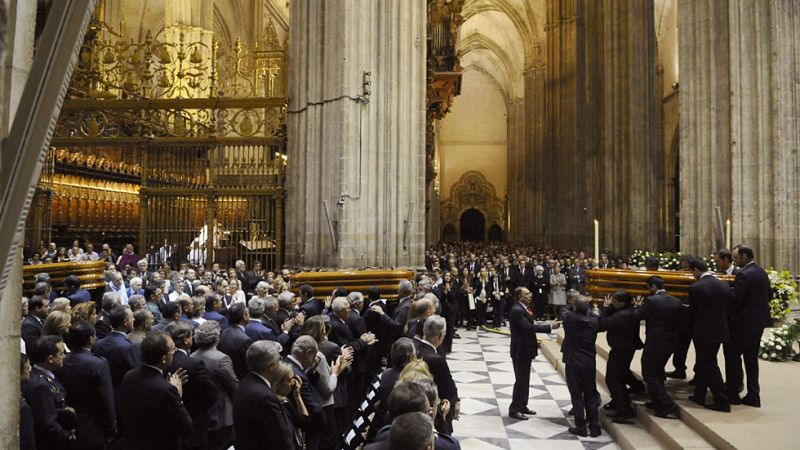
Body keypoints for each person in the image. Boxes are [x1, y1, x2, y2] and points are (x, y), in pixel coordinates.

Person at [115, 333, 192, 450]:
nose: (175, 353)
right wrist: (177, 395)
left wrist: (166, 386)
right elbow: (185, 426)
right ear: (164, 358)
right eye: (173, 350)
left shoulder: (129, 375)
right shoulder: (166, 390)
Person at [725, 244, 771, 407]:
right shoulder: (761, 272)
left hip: (743, 323)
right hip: (758, 322)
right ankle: (753, 394)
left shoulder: (744, 274)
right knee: (751, 359)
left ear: (745, 256)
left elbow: (736, 299)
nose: (735, 262)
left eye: (736, 258)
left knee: (732, 356)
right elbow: (769, 295)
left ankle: (733, 393)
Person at [59, 321, 117, 449]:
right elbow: (106, 398)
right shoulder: (98, 364)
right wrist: (111, 426)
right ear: (91, 339)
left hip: (66, 423)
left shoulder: (62, 362)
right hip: (93, 426)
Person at [233, 340, 299, 450]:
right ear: (272, 366)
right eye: (279, 359)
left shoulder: (245, 382)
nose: (281, 362)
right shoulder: (265, 396)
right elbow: (281, 438)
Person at [634, 276, 684, 419]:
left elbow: (638, 316)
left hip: (655, 342)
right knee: (658, 371)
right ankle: (657, 402)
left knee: (649, 373)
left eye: (648, 287)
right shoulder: (676, 301)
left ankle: (668, 405)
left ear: (653, 287)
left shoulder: (651, 300)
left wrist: (638, 306)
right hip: (671, 342)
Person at [686, 257, 731, 412]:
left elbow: (692, 312)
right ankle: (699, 394)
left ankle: (722, 401)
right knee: (704, 362)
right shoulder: (724, 284)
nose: (693, 276)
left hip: (703, 331)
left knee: (709, 365)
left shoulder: (696, 287)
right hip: (720, 330)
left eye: (692, 273)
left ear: (696, 270)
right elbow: (730, 307)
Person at [508, 287, 560, 420]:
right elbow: (528, 328)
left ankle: (522, 405)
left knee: (525, 380)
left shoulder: (525, 308)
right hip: (520, 350)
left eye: (530, 293)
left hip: (526, 348)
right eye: (526, 294)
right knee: (520, 380)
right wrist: (549, 327)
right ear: (519, 296)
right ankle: (514, 409)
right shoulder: (517, 310)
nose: (530, 295)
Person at [166, 321, 218, 450]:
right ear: (185, 340)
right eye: (191, 336)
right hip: (194, 423)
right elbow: (210, 394)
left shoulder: (162, 360)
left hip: (169, 424)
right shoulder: (194, 364)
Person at [598, 290, 644, 423]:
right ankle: (636, 388)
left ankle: (625, 411)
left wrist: (605, 308)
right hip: (627, 347)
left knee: (613, 379)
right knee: (622, 372)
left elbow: (602, 325)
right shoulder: (632, 310)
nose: (612, 303)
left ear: (622, 303)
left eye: (614, 302)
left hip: (621, 348)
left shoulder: (621, 316)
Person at [22, 336, 76, 450]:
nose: (64, 357)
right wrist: (67, 436)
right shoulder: (41, 386)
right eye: (61, 354)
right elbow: (48, 423)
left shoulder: (41, 376)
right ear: (50, 359)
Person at [193, 321, 238, 450]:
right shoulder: (221, 359)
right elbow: (233, 386)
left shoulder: (192, 357)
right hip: (222, 414)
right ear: (217, 338)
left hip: (202, 413)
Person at [562, 296, 601, 437]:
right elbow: (592, 314)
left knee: (577, 395)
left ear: (575, 307)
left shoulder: (570, 319)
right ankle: (594, 427)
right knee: (590, 395)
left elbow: (564, 309)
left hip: (573, 362)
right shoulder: (595, 321)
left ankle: (581, 427)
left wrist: (574, 302)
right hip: (589, 362)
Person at [414, 315, 460, 434]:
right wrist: (455, 401)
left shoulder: (415, 348)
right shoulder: (436, 359)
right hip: (435, 410)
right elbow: (447, 387)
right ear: (440, 335)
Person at [285, 336, 326, 450]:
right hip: (309, 428)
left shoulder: (286, 363)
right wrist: (324, 421)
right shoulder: (297, 375)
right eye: (314, 355)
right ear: (308, 353)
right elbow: (312, 407)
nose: (314, 359)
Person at [93, 305, 141, 391]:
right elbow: (137, 374)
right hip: (124, 392)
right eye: (132, 317)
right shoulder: (130, 347)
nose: (134, 319)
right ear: (125, 322)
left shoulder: (99, 343)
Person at [218, 302, 254, 379]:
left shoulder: (224, 331)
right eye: (248, 313)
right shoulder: (245, 340)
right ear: (244, 316)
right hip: (239, 378)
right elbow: (249, 365)